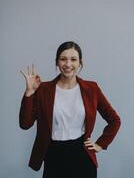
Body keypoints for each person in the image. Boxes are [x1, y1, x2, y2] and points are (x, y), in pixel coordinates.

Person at [19, 41, 121, 178]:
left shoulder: (92, 89)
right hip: (53, 155)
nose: (68, 64)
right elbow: (25, 124)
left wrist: (100, 144)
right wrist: (29, 93)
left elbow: (115, 120)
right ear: (57, 62)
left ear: (80, 63)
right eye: (63, 59)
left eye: (73, 59)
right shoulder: (44, 89)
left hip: (82, 155)